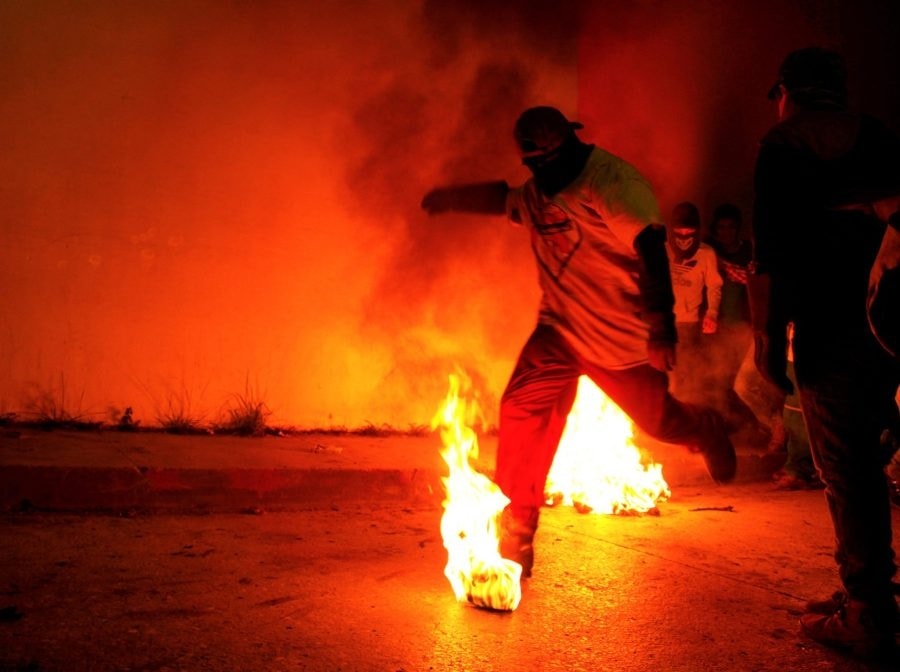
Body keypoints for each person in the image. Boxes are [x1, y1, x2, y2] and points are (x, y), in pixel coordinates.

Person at [421, 106, 736, 578]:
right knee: (521, 410)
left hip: (619, 337)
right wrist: (449, 198)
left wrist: (661, 327)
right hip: (560, 332)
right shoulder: (536, 193)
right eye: (531, 164)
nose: (539, 173)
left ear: (566, 146)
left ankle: (703, 426)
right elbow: (502, 199)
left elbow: (651, 247)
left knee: (658, 421)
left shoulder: (612, 182)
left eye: (546, 162)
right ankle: (518, 530)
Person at [750, 47, 900, 661]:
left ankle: (866, 612)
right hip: (888, 321)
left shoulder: (783, 144)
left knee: (847, 469)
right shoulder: (882, 137)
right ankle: (871, 597)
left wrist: (766, 343)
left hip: (828, 327)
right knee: (871, 459)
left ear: (787, 89)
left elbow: (772, 255)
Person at [705, 204, 779, 444]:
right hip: (718, 328)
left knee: (746, 383)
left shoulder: (749, 253)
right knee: (719, 382)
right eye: (722, 227)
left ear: (738, 229)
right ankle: (729, 433)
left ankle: (766, 430)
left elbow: (749, 278)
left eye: (731, 227)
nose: (726, 232)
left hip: (746, 328)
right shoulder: (708, 253)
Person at [666, 202, 723, 411]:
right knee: (662, 374)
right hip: (664, 322)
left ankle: (685, 419)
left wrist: (712, 313)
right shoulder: (664, 250)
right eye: (679, 230)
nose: (683, 235)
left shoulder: (706, 254)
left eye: (688, 230)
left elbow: (714, 285)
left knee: (684, 374)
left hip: (687, 324)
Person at [770, 324, 821, 490]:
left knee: (802, 414)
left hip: (813, 353)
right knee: (793, 412)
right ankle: (799, 465)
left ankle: (803, 469)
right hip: (796, 352)